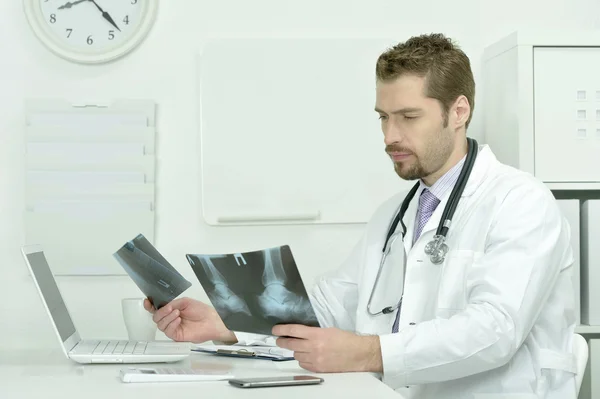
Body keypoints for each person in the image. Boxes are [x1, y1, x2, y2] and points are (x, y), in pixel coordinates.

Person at [145, 33, 577, 398]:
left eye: (409, 117)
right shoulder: (394, 214)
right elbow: (330, 308)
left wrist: (369, 353)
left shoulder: (521, 202)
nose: (390, 136)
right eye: (383, 118)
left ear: (459, 111)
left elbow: (496, 329)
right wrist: (225, 324)